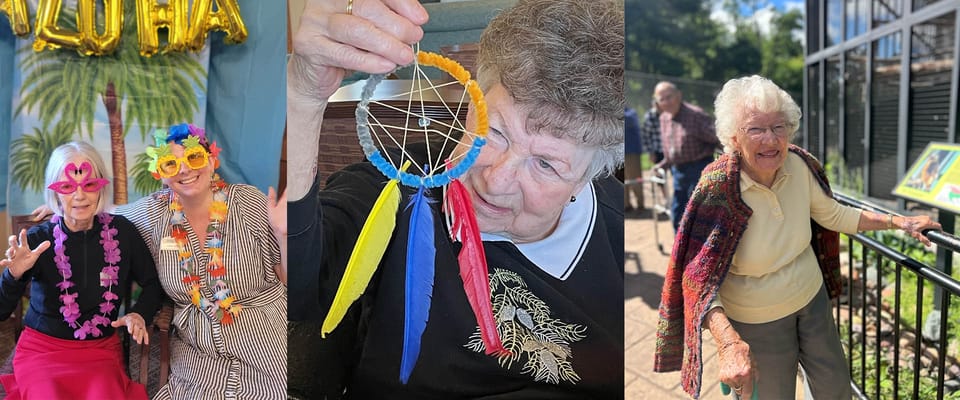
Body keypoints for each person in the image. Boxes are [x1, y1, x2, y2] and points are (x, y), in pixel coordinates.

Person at [287, 0, 624, 398]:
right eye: (495, 131)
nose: (496, 180)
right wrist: (302, 96)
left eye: (546, 165)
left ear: (589, 177)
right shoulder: (399, 181)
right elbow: (291, 286)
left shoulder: (619, 226)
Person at [653, 75, 942, 400]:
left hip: (811, 297)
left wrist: (900, 222)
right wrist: (728, 342)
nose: (770, 139)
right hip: (756, 319)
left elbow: (833, 214)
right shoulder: (718, 187)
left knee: (835, 390)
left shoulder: (799, 164)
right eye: (756, 129)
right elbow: (696, 279)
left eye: (779, 127)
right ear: (734, 138)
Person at [118, 124, 287, 399]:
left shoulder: (247, 202)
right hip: (198, 357)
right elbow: (100, 215)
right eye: (171, 164)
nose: (184, 170)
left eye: (194, 157)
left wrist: (284, 236)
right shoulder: (152, 213)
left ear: (211, 160)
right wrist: (56, 208)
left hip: (264, 340)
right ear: (160, 174)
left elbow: (286, 277)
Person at [0, 141, 162, 399]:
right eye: (67, 187)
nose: (79, 196)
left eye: (89, 185)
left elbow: (153, 284)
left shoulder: (123, 232)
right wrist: (13, 276)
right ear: (55, 192)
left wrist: (140, 314)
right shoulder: (38, 240)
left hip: (100, 351)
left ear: (100, 187)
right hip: (43, 351)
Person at [651, 81, 719, 231]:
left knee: (698, 214)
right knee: (677, 213)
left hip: (700, 169)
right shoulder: (664, 118)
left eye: (669, 97)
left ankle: (699, 249)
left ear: (679, 96)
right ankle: (681, 248)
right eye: (662, 99)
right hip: (678, 172)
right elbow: (671, 151)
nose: (666, 102)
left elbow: (717, 138)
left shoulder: (695, 115)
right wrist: (662, 164)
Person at [624, 106, 644, 211]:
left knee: (635, 179)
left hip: (631, 152)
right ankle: (626, 204)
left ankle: (640, 204)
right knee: (623, 179)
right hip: (620, 153)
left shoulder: (631, 113)